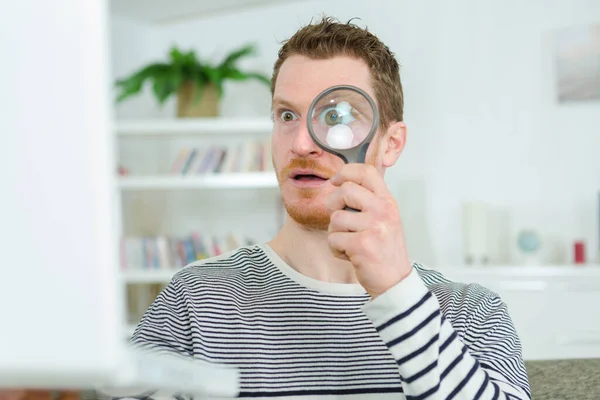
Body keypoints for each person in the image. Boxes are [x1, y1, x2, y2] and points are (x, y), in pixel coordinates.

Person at [119, 16, 531, 400]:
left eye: (336, 115)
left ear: (391, 143)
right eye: (286, 115)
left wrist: (397, 292)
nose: (301, 143)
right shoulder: (196, 299)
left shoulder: (471, 313)